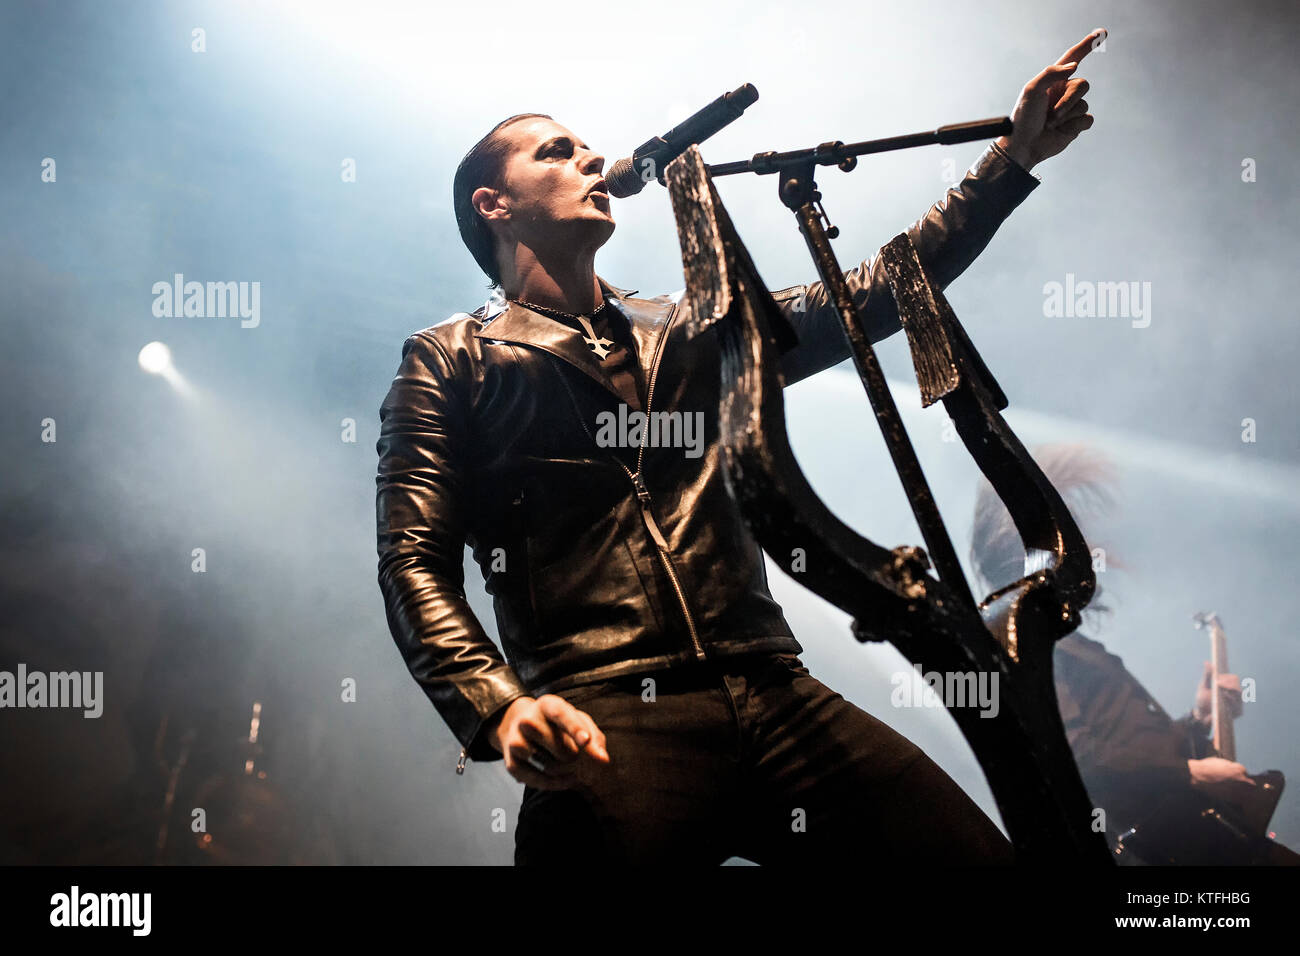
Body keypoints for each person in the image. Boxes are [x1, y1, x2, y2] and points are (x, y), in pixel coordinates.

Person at [376, 33, 1104, 864]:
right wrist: (499, 707)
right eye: (557, 152)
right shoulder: (449, 357)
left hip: (773, 688)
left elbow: (871, 294)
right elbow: (412, 562)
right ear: (492, 205)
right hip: (604, 709)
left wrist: (1010, 159)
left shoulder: (693, 325)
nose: (593, 158)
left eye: (588, 147)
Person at [967, 443, 1256, 855]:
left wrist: (1199, 717)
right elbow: (1077, 755)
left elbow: (1130, 746)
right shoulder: (1034, 645)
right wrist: (1188, 773)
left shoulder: (1066, 639)